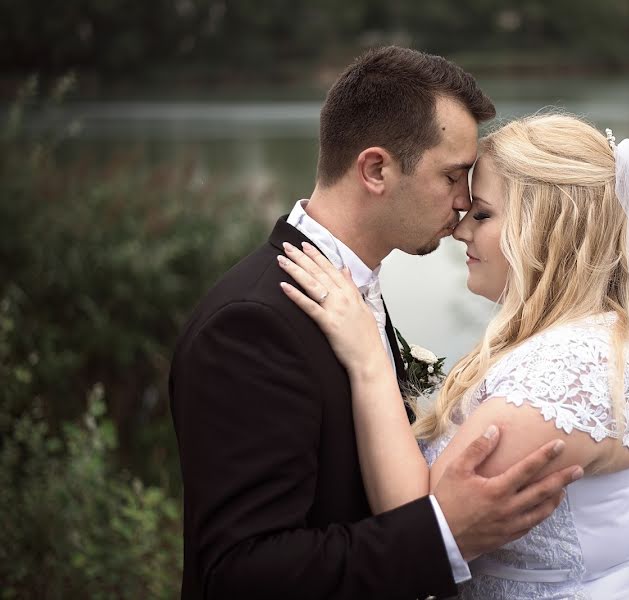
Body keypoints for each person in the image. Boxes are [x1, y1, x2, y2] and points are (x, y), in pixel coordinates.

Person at [278, 113, 629, 598]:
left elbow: (420, 528)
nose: (459, 230)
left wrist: (369, 359)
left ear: (545, 224)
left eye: (482, 213)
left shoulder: (566, 374)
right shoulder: (581, 341)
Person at [168, 48, 583, 600]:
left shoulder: (349, 291)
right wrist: (442, 534)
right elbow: (241, 573)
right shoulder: (252, 325)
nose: (464, 203)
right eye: (453, 176)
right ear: (376, 169)